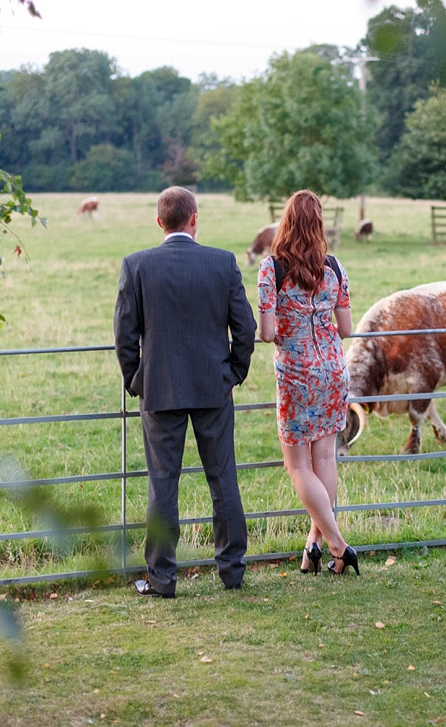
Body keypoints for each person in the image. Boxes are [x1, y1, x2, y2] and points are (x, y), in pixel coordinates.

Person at [114, 186, 257, 595]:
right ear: (194, 219)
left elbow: (124, 335)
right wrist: (234, 373)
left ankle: (162, 578)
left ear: (160, 222)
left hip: (159, 389)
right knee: (223, 478)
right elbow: (244, 329)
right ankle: (232, 571)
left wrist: (136, 379)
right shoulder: (222, 263)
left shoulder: (136, 265)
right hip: (214, 385)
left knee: (163, 484)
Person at [257, 190, 359, 576]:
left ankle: (337, 544)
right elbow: (346, 327)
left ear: (285, 223)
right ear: (318, 225)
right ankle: (313, 548)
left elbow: (267, 332)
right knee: (326, 459)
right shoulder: (334, 267)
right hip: (333, 369)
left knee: (298, 466)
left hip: (297, 374)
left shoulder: (272, 269)